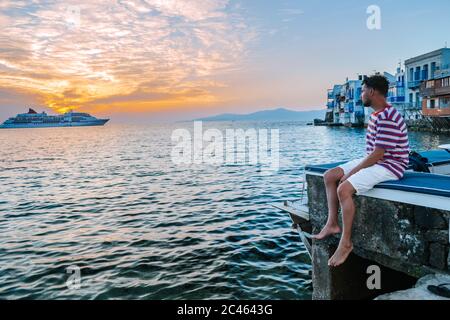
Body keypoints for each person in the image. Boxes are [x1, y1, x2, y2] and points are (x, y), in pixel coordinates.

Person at [312, 74, 410, 267]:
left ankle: (346, 243)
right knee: (329, 176)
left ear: (372, 91)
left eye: (363, 90)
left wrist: (352, 172)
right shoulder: (376, 115)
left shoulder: (389, 116)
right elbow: (373, 153)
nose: (361, 94)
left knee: (343, 189)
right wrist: (354, 169)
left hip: (390, 165)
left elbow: (379, 154)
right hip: (376, 161)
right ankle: (332, 223)